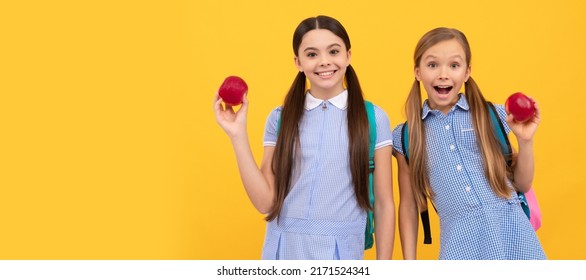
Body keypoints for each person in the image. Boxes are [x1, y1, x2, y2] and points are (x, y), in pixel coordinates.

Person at [213, 15, 395, 260]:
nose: (324, 62)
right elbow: (265, 203)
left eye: (333, 51)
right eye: (312, 54)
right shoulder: (280, 118)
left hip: (343, 254)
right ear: (298, 62)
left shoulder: (373, 118)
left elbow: (384, 204)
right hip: (283, 250)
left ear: (348, 56)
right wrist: (237, 135)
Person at [392, 27, 546, 260]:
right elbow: (409, 206)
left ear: (467, 72)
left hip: (516, 239)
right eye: (433, 65)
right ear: (417, 71)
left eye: (454, 65)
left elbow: (522, 184)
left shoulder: (490, 115)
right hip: (460, 245)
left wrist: (526, 142)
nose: (443, 74)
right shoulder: (407, 136)